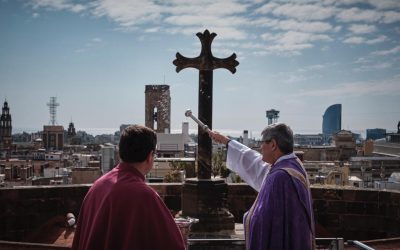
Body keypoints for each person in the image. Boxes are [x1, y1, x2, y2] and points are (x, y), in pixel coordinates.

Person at [72, 125, 185, 250]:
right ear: (150, 156)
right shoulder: (145, 196)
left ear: (120, 152)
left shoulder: (97, 186)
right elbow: (173, 245)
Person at [209, 123, 315, 250]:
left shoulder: (279, 176)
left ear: (273, 145)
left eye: (263, 142)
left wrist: (248, 218)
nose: (260, 147)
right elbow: (254, 161)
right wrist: (226, 141)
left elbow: (263, 218)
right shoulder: (292, 164)